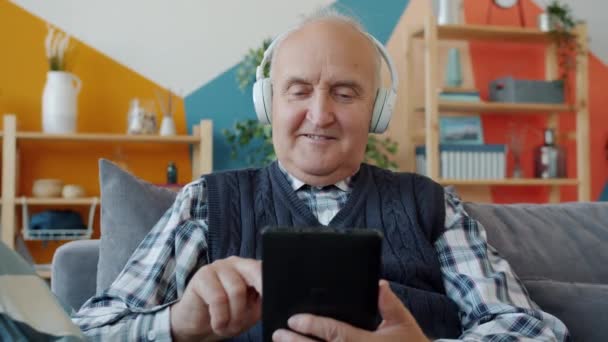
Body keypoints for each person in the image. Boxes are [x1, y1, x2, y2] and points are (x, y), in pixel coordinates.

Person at [73, 9, 569, 341]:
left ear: (376, 112)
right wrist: (177, 325)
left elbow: (530, 328)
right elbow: (86, 330)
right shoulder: (205, 202)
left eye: (345, 93)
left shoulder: (430, 205)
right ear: (269, 104)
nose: (320, 113)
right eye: (299, 90)